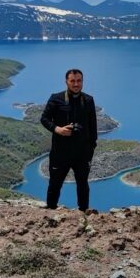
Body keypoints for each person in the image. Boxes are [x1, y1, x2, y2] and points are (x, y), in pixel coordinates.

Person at [39, 68, 98, 211]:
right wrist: (57, 129)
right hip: (60, 152)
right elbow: (44, 119)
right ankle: (51, 211)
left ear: (82, 82)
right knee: (55, 184)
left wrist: (91, 150)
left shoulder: (88, 100)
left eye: (79, 81)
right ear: (66, 82)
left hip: (82, 153)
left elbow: (93, 127)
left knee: (83, 184)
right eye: (72, 81)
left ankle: (84, 212)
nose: (76, 84)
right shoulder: (56, 98)